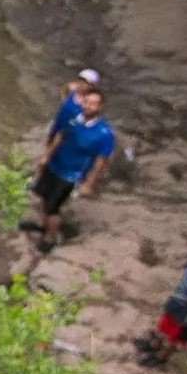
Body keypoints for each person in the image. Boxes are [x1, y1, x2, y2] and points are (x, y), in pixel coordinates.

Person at [30, 86, 116, 252]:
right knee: (43, 195)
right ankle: (43, 224)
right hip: (55, 164)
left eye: (93, 104)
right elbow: (61, 136)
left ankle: (50, 237)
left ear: (100, 107)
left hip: (71, 174)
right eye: (86, 102)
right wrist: (47, 156)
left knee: (53, 206)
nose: (88, 106)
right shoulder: (74, 119)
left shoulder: (104, 133)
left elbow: (101, 160)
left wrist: (89, 183)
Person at [48, 68, 101, 140]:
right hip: (59, 121)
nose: (82, 84)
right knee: (51, 137)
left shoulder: (88, 103)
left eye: (86, 82)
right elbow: (65, 88)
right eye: (81, 80)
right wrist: (64, 100)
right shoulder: (73, 89)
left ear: (92, 86)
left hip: (70, 131)